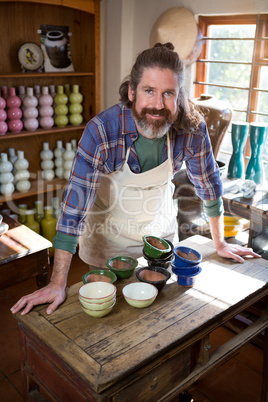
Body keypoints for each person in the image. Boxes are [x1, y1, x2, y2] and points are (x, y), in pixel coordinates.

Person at [11, 43, 260, 316]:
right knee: (113, 318)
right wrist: (58, 283)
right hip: (108, 244)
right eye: (149, 91)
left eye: (168, 94)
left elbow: (209, 185)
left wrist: (220, 243)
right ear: (132, 91)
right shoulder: (103, 131)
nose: (158, 104)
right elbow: (74, 207)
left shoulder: (191, 128)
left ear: (179, 97)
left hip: (159, 239)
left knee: (158, 317)